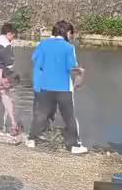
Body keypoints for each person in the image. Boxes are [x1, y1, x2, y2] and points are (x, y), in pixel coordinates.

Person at [27, 21, 88, 154]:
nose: (71, 36)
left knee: (41, 114)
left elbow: (36, 60)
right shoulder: (68, 48)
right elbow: (71, 67)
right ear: (66, 32)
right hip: (63, 88)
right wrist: (80, 71)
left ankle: (31, 139)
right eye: (71, 33)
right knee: (69, 116)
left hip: (45, 86)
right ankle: (74, 146)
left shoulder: (43, 44)